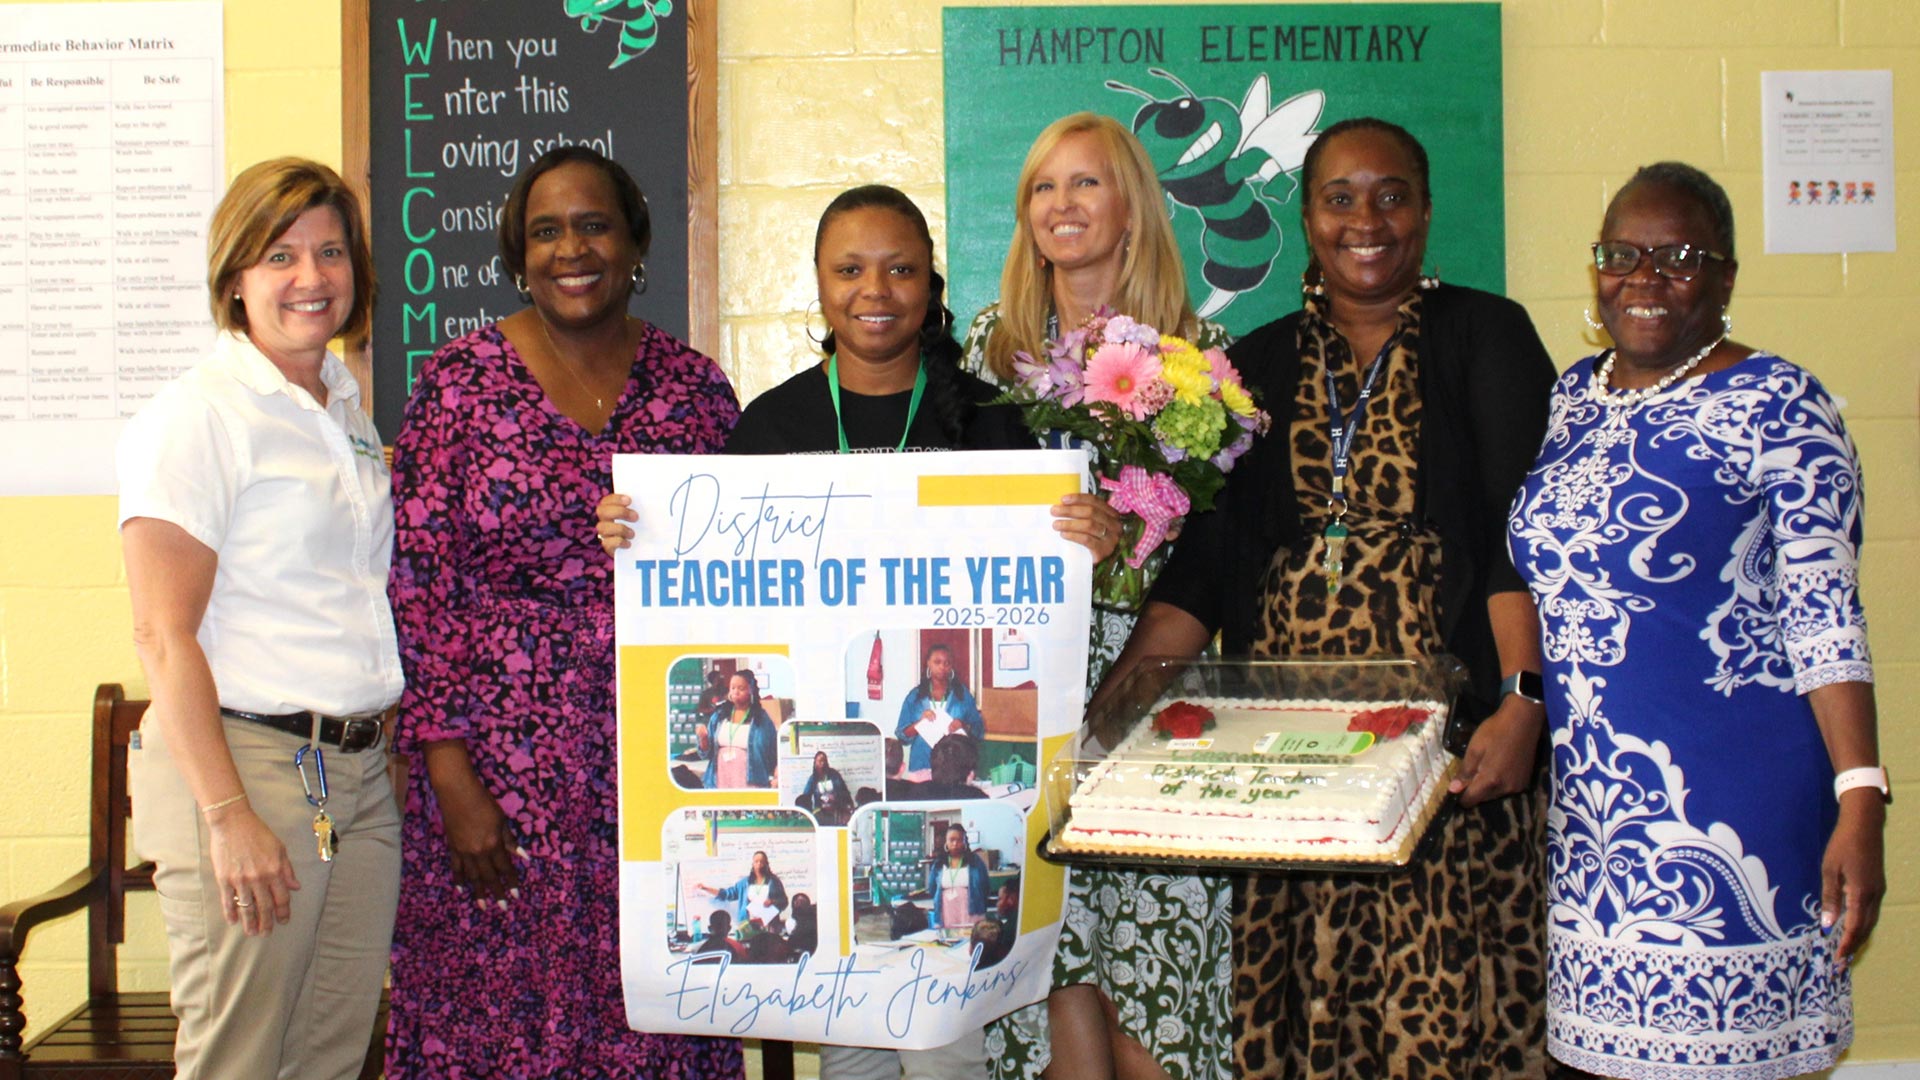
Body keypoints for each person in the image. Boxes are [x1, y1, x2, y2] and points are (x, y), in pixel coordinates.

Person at [600, 182, 1118, 1080]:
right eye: (850, 269)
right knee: (852, 1053)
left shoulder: (997, 419)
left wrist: (1093, 540)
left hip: (942, 804)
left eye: (900, 269)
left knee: (945, 1054)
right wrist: (639, 533)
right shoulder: (771, 425)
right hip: (821, 785)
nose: (875, 290)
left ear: (931, 284)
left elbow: (1045, 583)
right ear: (819, 283)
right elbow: (719, 594)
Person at [1103, 118, 1558, 1079]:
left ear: (1427, 212)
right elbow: (1209, 561)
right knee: (1312, 1009)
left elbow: (1525, 537)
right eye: (1341, 198)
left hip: (1448, 746)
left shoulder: (1488, 333)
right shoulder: (1257, 365)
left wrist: (1525, 702)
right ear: (1307, 217)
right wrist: (1124, 696)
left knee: (1439, 1011)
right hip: (1294, 754)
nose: (1368, 219)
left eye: (1392, 195)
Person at [1509, 162, 1886, 1079]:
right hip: (1598, 823)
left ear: (1725, 276)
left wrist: (1862, 798)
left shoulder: (1782, 405)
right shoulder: (1572, 398)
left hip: (1735, 815)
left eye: (1677, 257)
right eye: (1621, 255)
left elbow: (1824, 614)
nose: (1643, 278)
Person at [385, 145, 742, 1079]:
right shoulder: (458, 386)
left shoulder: (697, 390)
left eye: (593, 224)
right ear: (519, 253)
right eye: (546, 230)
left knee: (656, 1013)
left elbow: (748, 576)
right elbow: (420, 590)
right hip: (500, 770)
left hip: (663, 765)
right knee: (502, 1023)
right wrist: (451, 777)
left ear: (634, 244)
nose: (571, 248)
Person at [960, 112, 1235, 1080]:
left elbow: (1222, 548)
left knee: (1154, 973)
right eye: (1042, 186)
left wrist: (1129, 544)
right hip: (1028, 698)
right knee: (1054, 969)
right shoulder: (986, 363)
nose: (1061, 205)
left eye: (1084, 184)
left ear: (1130, 210)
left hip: (1155, 694)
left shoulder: (1199, 360)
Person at [118, 157, 400, 1080]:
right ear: (236, 277)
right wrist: (227, 813)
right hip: (249, 767)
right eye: (280, 255)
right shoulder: (200, 415)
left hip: (355, 776)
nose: (310, 277)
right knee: (239, 1060)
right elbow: (163, 632)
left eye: (329, 252)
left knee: (326, 1054)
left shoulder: (344, 410)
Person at [895, 643, 985, 775]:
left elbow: (979, 731)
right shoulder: (914, 697)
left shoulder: (963, 695)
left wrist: (963, 725)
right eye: (937, 662)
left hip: (955, 768)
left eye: (947, 663)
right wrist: (919, 724)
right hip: (922, 766)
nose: (942, 667)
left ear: (951, 666)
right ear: (928, 664)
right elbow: (902, 736)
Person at [698, 670, 779, 789]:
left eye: (740, 688)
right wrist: (703, 738)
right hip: (719, 780)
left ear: (751, 690)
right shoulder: (719, 716)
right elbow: (705, 753)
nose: (735, 692)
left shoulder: (761, 718)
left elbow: (773, 750)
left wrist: (776, 776)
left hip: (751, 782)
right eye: (732, 687)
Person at [698, 850, 790, 929]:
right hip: (747, 926)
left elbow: (784, 901)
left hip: (769, 926)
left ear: (766, 864)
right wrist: (705, 888)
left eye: (762, 862)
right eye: (756, 861)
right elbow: (727, 894)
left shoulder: (774, 882)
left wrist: (772, 901)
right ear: (752, 864)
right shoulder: (744, 883)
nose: (759, 864)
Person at [927, 824, 991, 932]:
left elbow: (985, 886)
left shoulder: (975, 861)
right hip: (946, 912)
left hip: (971, 911)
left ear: (965, 842)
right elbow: (932, 888)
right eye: (951, 840)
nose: (955, 843)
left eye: (959, 840)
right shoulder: (939, 863)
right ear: (946, 842)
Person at [798, 749, 854, 823]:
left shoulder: (834, 775)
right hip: (819, 812)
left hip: (836, 811)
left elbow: (844, 792)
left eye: (824, 760)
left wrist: (835, 797)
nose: (822, 763)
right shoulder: (813, 779)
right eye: (820, 761)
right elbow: (805, 797)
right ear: (815, 763)